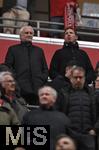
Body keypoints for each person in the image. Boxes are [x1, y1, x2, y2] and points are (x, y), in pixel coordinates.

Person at [5, 25, 48, 105]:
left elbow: (45, 69)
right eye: (26, 33)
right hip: (19, 90)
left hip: (37, 90)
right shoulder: (13, 49)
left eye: (31, 33)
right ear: (20, 35)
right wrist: (16, 80)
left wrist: (41, 80)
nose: (29, 35)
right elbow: (8, 67)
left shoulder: (39, 51)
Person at [58, 66, 96, 150]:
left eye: (80, 77)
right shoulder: (63, 93)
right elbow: (58, 114)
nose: (78, 80)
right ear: (71, 78)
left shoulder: (93, 94)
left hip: (89, 136)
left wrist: (95, 129)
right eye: (75, 77)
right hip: (70, 135)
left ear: (84, 78)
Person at [22, 86, 71, 150]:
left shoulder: (63, 118)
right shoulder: (29, 116)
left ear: (54, 98)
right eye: (41, 95)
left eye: (47, 94)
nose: (44, 96)